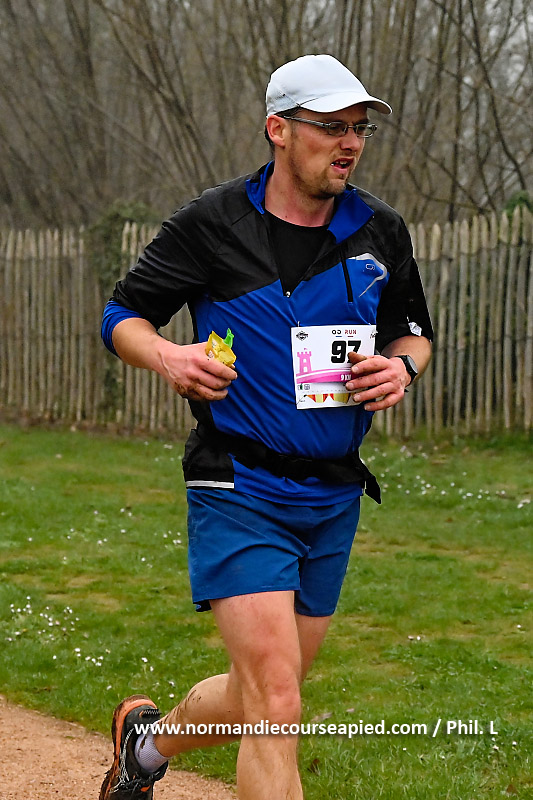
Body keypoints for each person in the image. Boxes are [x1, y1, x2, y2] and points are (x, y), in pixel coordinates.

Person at [99, 53, 433, 800]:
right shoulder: (212, 224)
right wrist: (169, 356)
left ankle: (145, 747)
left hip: (333, 494)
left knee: (262, 691)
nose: (349, 143)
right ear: (279, 130)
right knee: (277, 704)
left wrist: (400, 369)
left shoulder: (379, 229)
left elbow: (412, 333)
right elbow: (122, 315)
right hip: (238, 483)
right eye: (331, 127)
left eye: (359, 128)